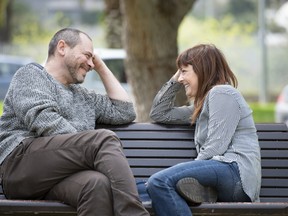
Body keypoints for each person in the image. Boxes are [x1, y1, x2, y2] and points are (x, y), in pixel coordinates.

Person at [0, 28, 149, 216]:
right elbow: (45, 120)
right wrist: (88, 150)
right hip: (20, 167)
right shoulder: (31, 75)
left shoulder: (84, 96)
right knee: (102, 139)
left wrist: (101, 66)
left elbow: (125, 111)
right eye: (87, 55)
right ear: (62, 47)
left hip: (58, 176)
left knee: (96, 184)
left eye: (93, 59)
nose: (91, 64)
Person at [147, 44, 261, 216]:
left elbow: (215, 147)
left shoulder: (222, 93)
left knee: (159, 182)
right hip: (220, 173)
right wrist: (176, 78)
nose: (180, 79)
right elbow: (159, 113)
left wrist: (191, 176)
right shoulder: (199, 107)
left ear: (202, 69)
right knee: (143, 187)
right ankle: (202, 191)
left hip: (234, 172)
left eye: (185, 71)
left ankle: (200, 189)